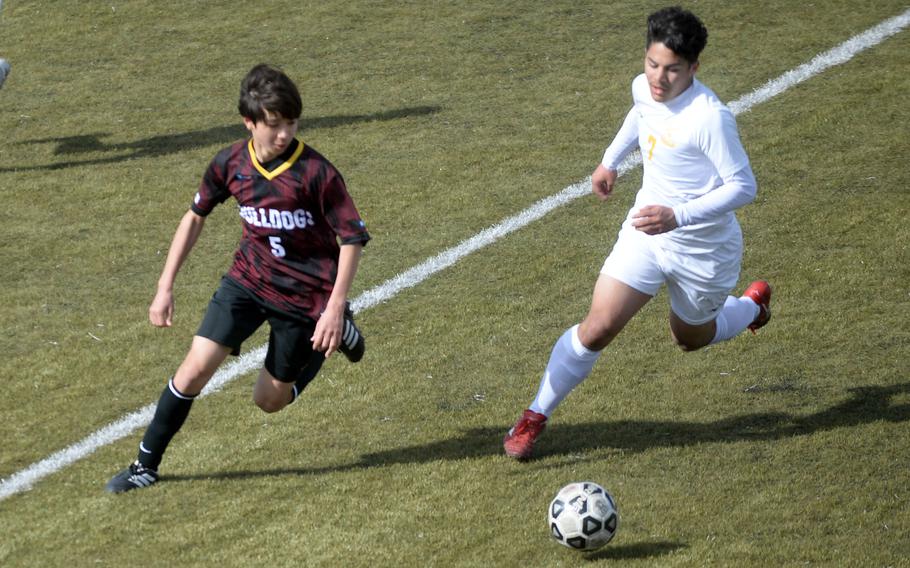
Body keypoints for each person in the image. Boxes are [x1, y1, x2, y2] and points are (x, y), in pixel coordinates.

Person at [503, 6, 771, 460]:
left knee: (689, 339)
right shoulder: (644, 87)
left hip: (703, 251)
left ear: (694, 68)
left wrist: (679, 216)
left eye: (672, 70)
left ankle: (749, 308)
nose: (658, 78)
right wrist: (610, 160)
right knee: (598, 327)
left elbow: (744, 187)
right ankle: (534, 416)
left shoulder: (710, 118)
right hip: (646, 233)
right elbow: (639, 114)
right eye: (652, 64)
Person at [106, 64, 371, 492]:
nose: (284, 134)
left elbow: (351, 238)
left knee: (268, 401)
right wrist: (164, 286)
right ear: (249, 122)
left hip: (305, 297)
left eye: (291, 123)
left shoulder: (318, 173)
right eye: (273, 125)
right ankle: (144, 466)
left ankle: (334, 336)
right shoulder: (230, 162)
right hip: (247, 282)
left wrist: (335, 307)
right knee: (192, 371)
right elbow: (195, 218)